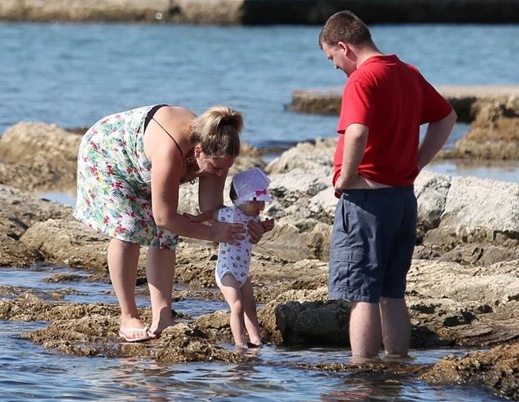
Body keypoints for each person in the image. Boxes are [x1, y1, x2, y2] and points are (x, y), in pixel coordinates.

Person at [318, 11, 457, 359]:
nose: (334, 67)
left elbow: (356, 131)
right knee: (392, 293)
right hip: (402, 199)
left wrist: (345, 178)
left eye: (332, 58)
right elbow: (447, 117)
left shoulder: (363, 79)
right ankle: (397, 370)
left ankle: (363, 379)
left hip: (367, 201)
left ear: (343, 46)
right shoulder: (406, 73)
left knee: (361, 295)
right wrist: (417, 162)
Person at [74, 104, 271, 342]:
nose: (221, 175)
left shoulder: (215, 149)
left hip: (146, 164)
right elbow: (164, 217)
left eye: (227, 168)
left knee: (165, 236)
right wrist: (213, 234)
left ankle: (163, 318)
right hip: (108, 153)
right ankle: (129, 317)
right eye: (217, 168)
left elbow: (212, 210)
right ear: (198, 152)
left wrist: (249, 226)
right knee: (129, 228)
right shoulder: (170, 151)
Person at [212, 167, 274, 351]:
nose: (261, 207)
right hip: (227, 271)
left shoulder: (253, 217)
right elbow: (211, 214)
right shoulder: (230, 214)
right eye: (256, 201)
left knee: (250, 306)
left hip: (242, 272)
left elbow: (254, 231)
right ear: (239, 200)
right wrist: (196, 219)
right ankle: (239, 343)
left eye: (263, 202)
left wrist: (265, 227)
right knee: (237, 306)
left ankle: (255, 339)